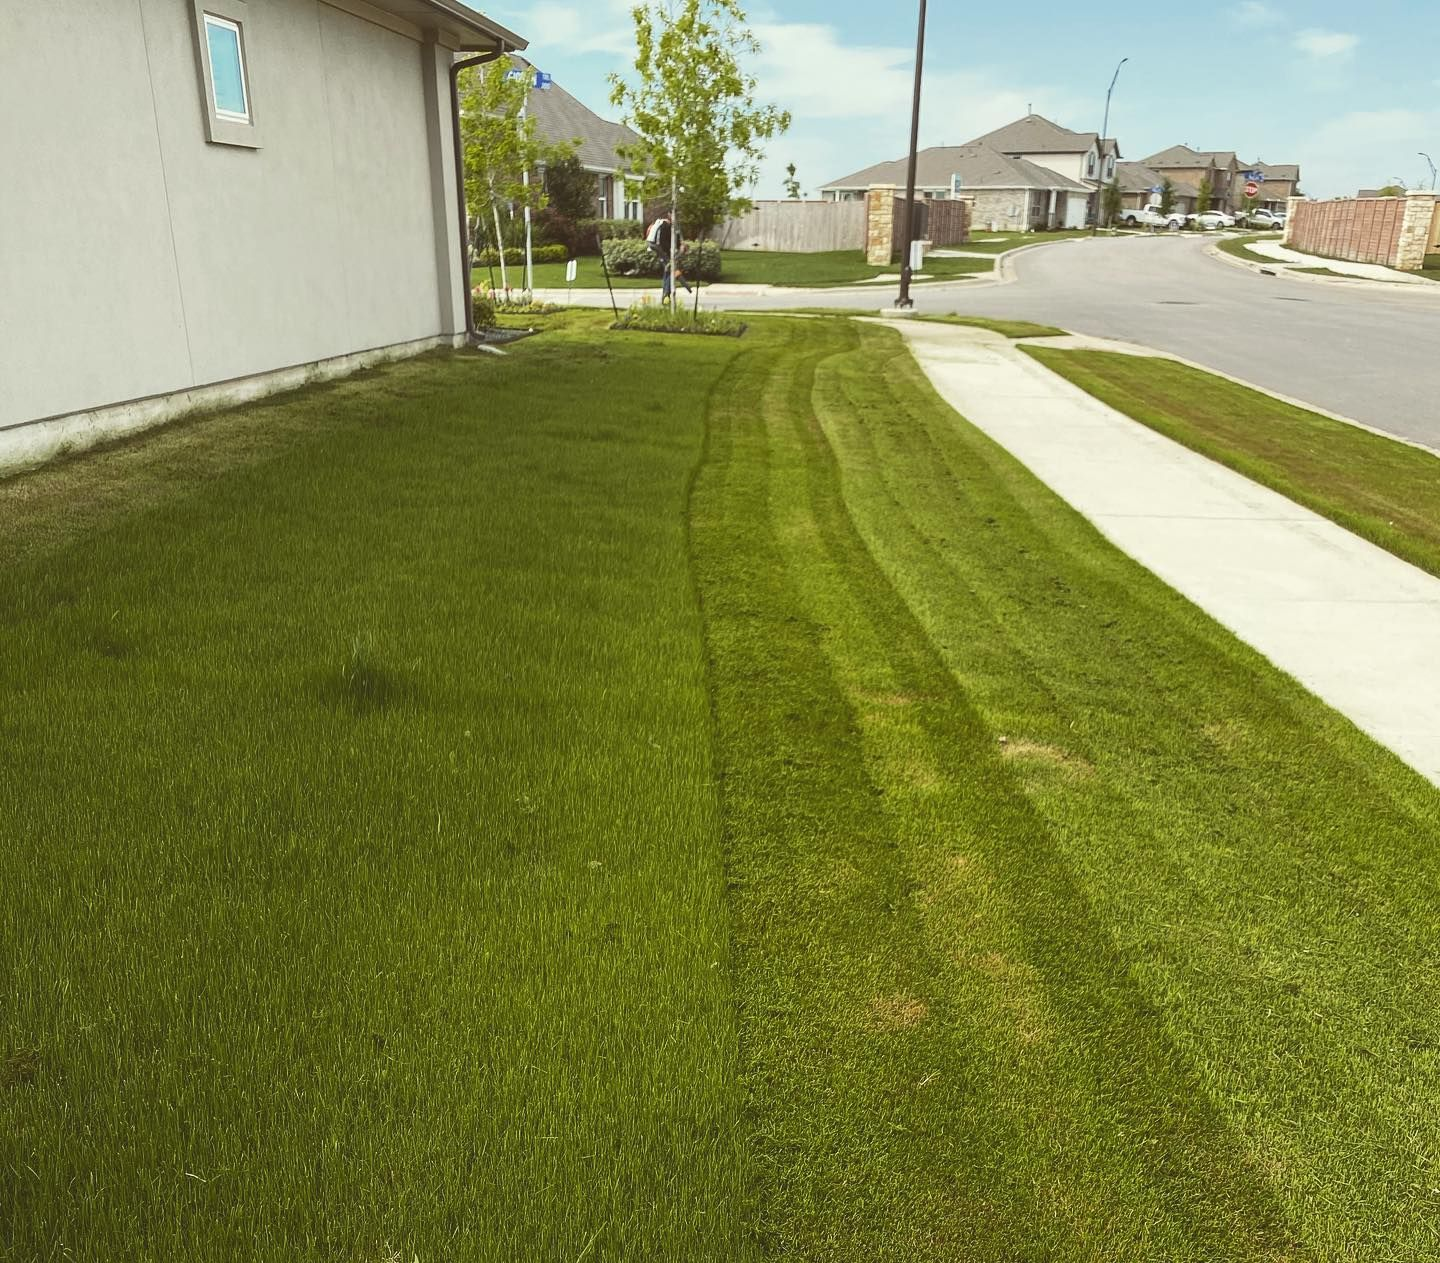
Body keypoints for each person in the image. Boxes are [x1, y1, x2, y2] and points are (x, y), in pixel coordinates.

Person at [644, 213, 692, 300]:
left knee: (668, 271)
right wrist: (671, 251)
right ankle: (666, 295)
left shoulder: (673, 227)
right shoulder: (665, 226)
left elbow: (675, 240)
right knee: (671, 271)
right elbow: (662, 242)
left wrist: (679, 246)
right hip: (661, 251)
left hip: (662, 250)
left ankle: (666, 295)